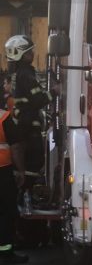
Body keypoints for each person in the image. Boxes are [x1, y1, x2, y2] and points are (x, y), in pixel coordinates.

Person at [4, 35, 56, 195]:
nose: (32, 54)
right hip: (28, 125)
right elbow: (37, 100)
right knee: (35, 160)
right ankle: (26, 194)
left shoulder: (17, 73)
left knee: (27, 161)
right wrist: (55, 92)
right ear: (21, 54)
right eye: (29, 52)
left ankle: (23, 195)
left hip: (22, 123)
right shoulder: (26, 75)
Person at [0, 104, 28, 265]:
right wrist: (21, 170)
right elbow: (16, 147)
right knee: (6, 211)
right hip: (2, 171)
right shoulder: (4, 117)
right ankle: (5, 252)